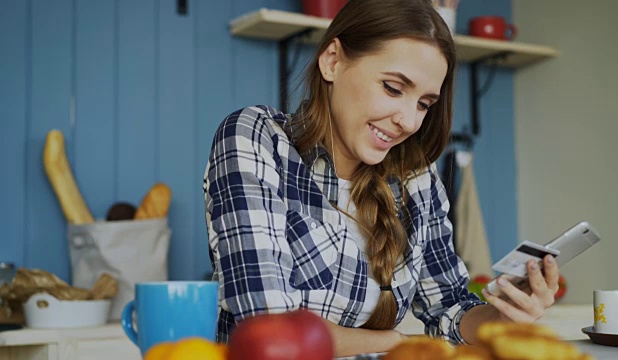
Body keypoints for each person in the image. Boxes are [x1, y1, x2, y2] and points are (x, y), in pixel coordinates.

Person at [202, 0, 559, 356]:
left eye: (424, 104)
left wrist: (503, 315)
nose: (409, 121)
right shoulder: (257, 138)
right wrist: (392, 342)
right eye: (392, 87)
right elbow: (270, 324)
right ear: (332, 61)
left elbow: (449, 309)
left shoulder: (414, 176)